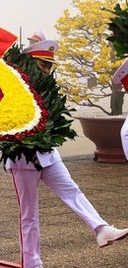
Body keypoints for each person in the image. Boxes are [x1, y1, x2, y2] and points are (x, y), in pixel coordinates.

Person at [9, 32, 128, 268]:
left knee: (73, 191)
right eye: (43, 64)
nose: (47, 70)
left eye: (49, 66)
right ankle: (32, 263)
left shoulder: (48, 86)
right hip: (22, 159)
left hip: (48, 154)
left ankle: (101, 229)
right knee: (29, 215)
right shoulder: (14, 87)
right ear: (31, 61)